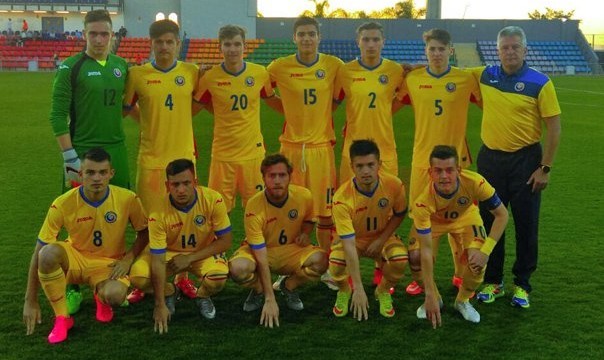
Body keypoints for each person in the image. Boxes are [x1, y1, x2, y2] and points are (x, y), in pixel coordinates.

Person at [471, 26, 561, 308]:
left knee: (526, 224)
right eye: (505, 47)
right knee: (489, 221)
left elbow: (554, 127)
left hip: (525, 161)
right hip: (490, 160)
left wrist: (544, 168)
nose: (510, 52)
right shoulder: (485, 75)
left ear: (525, 50)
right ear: (497, 51)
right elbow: (447, 74)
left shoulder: (540, 82)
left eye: (515, 47)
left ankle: (522, 285)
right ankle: (493, 281)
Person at [48, 9, 130, 316]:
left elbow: (125, 106)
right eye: (93, 34)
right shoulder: (71, 67)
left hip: (117, 151)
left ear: (112, 36)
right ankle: (72, 286)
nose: (98, 39)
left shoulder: (122, 66)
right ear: (84, 35)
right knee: (78, 221)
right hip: (81, 153)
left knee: (117, 218)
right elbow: (57, 115)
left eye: (104, 34)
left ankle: (106, 281)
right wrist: (70, 158)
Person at [22, 148, 149, 344]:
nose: (96, 178)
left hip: (109, 264)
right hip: (76, 259)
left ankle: (101, 295)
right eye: (90, 173)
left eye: (102, 172)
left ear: (111, 174)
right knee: (47, 254)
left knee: (115, 295)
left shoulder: (128, 199)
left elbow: (144, 231)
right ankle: (62, 318)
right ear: (81, 175)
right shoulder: (63, 203)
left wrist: (128, 258)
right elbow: (39, 249)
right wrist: (30, 300)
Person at [397, 28, 481, 296]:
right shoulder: (413, 79)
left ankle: (460, 273)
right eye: (431, 49)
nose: (436, 54)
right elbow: (393, 101)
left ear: (450, 50)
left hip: (457, 165)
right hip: (423, 162)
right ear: (425, 51)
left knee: (461, 220)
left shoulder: (465, 78)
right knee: (423, 221)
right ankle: (422, 278)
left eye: (441, 49)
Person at [123, 19, 201, 303]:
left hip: (183, 161)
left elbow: (201, 102)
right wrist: (147, 124)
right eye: (159, 42)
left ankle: (182, 278)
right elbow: (125, 107)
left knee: (184, 222)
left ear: (178, 44)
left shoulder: (191, 72)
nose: (165, 47)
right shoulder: (137, 74)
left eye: (170, 42)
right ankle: (143, 279)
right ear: (151, 44)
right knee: (148, 223)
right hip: (151, 161)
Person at [266, 17, 343, 274]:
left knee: (325, 213)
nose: (307, 38)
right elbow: (262, 89)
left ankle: (329, 265)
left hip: (321, 148)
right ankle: (289, 263)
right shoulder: (279, 66)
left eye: (311, 34)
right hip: (290, 148)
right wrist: (287, 111)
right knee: (289, 209)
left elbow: (340, 96)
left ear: (319, 37)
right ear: (294, 38)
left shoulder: (333, 65)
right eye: (302, 34)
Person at [333, 21, 405, 288]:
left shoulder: (395, 71)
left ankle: (380, 267)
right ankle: (348, 272)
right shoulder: (345, 71)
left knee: (385, 209)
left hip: (386, 150)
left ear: (383, 42)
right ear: (358, 42)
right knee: (350, 208)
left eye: (376, 39)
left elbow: (398, 100)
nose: (371, 44)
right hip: (352, 153)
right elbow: (334, 100)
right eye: (366, 39)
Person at [129, 159, 232, 333]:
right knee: (138, 278)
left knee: (218, 278)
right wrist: (160, 303)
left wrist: (190, 258)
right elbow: (158, 259)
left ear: (195, 183)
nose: (181, 190)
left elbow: (226, 241)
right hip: (169, 254)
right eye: (175, 184)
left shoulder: (213, 199)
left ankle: (203, 295)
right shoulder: (157, 211)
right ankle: (170, 292)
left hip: (201, 252)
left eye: (186, 183)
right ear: (167, 185)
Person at [411, 145, 508, 328]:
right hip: (434, 221)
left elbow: (502, 215)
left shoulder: (475, 182)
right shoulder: (422, 200)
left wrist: (486, 251)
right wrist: (429, 294)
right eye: (438, 171)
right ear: (430, 172)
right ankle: (435, 298)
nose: (444, 176)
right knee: (415, 257)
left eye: (449, 170)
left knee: (477, 261)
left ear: (459, 170)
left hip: (466, 216)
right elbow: (425, 250)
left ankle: (462, 300)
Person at [229, 153, 327, 328]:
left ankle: (288, 286)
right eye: (271, 175)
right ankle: (259, 289)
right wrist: (269, 298)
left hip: (291, 249)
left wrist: (305, 233)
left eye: (282, 175)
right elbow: (260, 254)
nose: (277, 180)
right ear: (264, 178)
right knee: (237, 269)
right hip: (260, 251)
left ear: (290, 176)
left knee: (321, 261)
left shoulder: (304, 195)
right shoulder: (254, 205)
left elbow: (308, 219)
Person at [194, 25, 280, 213]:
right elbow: (195, 107)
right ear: (220, 48)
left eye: (237, 44)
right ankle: (220, 243)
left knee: (257, 209)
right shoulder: (210, 77)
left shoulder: (259, 73)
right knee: (217, 212)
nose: (232, 49)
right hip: (223, 155)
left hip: (253, 154)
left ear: (245, 47)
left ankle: (255, 243)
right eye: (227, 45)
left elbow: (271, 98)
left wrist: (297, 112)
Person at [330, 139, 408, 320]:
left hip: (382, 237)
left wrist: (381, 240)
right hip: (355, 240)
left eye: (370, 165)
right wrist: (358, 288)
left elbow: (399, 213)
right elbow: (348, 243)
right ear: (352, 167)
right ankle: (344, 290)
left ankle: (382, 291)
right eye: (360, 166)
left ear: (379, 164)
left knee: (400, 259)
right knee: (335, 262)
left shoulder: (394, 185)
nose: (365, 171)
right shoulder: (341, 198)